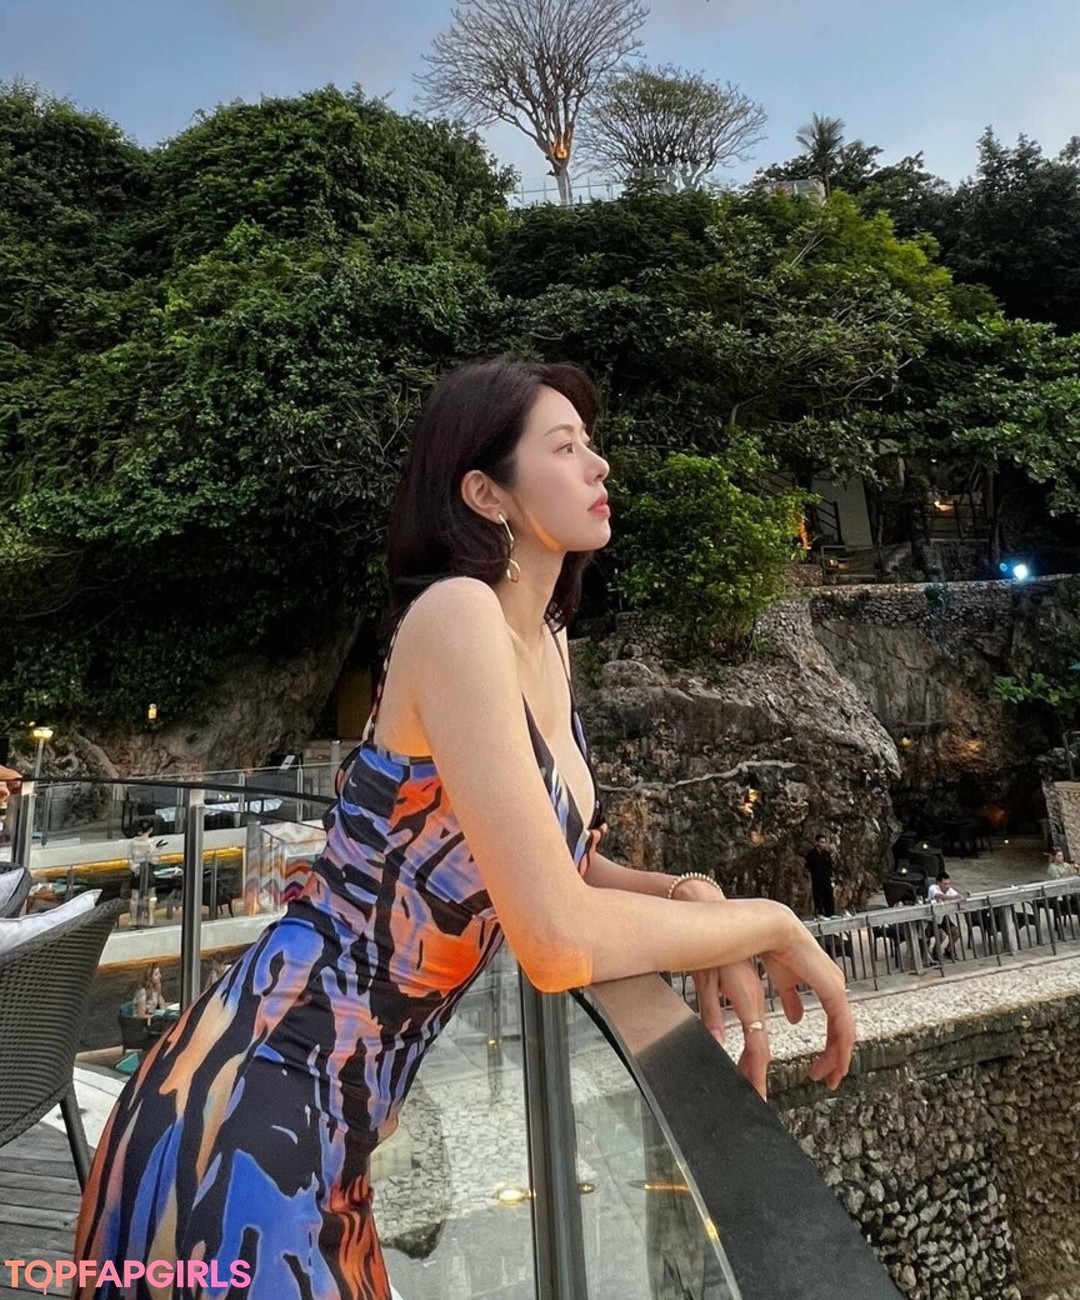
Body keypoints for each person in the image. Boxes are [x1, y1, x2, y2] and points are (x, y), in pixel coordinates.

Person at [73, 358, 854, 1299]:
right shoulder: (456, 615)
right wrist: (771, 923)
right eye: (564, 447)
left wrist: (691, 898)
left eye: (591, 443)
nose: (599, 464)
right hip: (257, 1102)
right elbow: (555, 941)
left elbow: (552, 867)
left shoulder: (546, 642)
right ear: (486, 492)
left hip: (338, 1120)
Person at [805, 832, 837, 917]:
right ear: (817, 842)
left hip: (826, 878)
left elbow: (830, 867)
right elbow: (808, 866)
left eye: (824, 842)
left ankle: (830, 913)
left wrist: (831, 877)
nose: (823, 844)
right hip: (817, 879)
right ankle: (820, 913)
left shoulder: (826, 854)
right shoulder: (811, 855)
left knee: (829, 895)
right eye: (821, 842)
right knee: (818, 896)